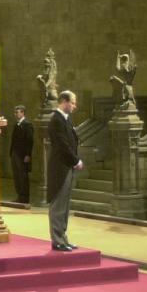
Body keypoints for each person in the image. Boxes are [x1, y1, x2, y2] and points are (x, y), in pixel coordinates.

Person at [46, 90, 83, 251]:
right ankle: (57, 240)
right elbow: (62, 145)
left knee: (65, 205)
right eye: (73, 102)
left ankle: (63, 237)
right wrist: (75, 160)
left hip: (66, 166)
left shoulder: (65, 120)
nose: (75, 106)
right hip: (60, 168)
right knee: (58, 205)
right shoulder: (56, 120)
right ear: (64, 101)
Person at [10, 105, 34, 204]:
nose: (16, 114)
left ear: (23, 113)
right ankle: (19, 195)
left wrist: (28, 154)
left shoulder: (27, 124)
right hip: (15, 153)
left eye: (17, 112)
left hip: (23, 155)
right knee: (17, 175)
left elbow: (30, 140)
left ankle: (24, 197)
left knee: (23, 176)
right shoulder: (17, 124)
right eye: (15, 112)